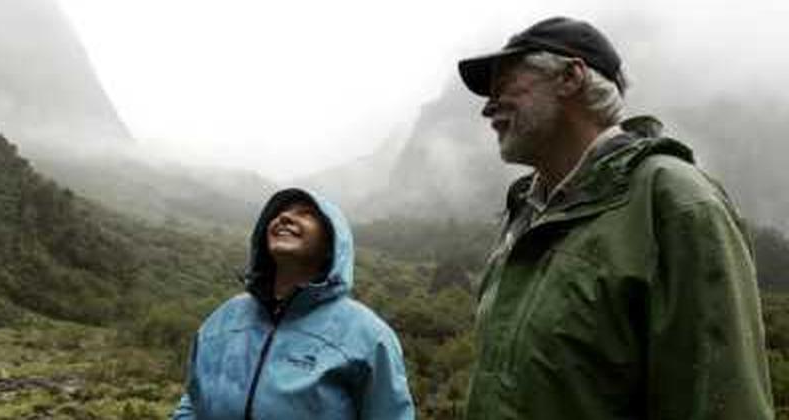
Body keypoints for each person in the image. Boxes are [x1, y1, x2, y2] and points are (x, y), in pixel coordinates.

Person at [456, 16, 773, 419]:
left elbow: (722, 403)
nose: (487, 108)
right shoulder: (527, 212)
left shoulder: (677, 202)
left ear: (570, 77)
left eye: (503, 87)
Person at [171, 188, 414, 419]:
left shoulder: (368, 335)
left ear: (331, 245)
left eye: (306, 214)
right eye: (279, 214)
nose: (284, 217)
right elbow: (193, 402)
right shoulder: (224, 320)